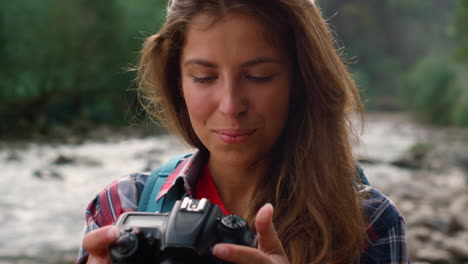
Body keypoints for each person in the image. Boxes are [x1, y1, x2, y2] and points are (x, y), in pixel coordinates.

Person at [76, 0, 408, 263]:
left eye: (260, 76)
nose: (231, 105)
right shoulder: (121, 208)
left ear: (302, 82)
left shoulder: (369, 224)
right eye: (204, 78)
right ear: (177, 83)